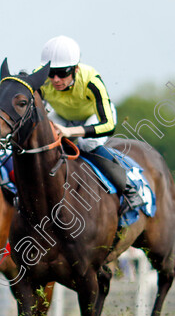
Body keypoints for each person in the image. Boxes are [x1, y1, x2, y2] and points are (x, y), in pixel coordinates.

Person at [38, 35, 144, 212]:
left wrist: (71, 132)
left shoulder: (91, 80)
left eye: (62, 73)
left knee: (87, 143)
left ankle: (129, 189)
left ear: (76, 69)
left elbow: (108, 124)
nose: (55, 79)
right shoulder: (41, 81)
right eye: (50, 73)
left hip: (94, 117)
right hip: (63, 116)